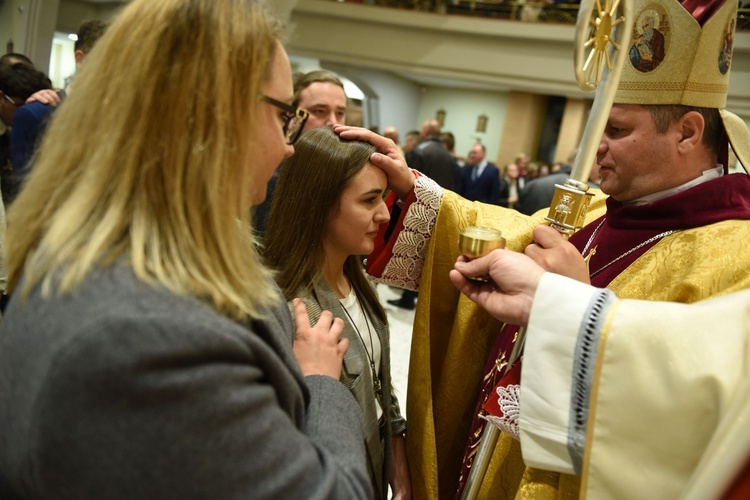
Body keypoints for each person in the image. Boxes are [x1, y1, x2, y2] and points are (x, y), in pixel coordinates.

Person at [336, 0, 750, 497]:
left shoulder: (735, 256)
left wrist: (581, 312)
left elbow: (698, 419)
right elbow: (502, 231)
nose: (594, 147)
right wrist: (414, 192)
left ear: (687, 132)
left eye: (616, 130)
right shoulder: (598, 208)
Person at [0, 1, 373, 498]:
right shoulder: (147, 343)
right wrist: (321, 383)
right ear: (213, 117)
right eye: (286, 115)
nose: (289, 145)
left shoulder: (115, 252)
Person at [448, 234, 750, 498]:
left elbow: (701, 374)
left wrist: (568, 310)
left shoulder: (737, 249)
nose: (595, 164)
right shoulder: (597, 212)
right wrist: (551, 300)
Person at [264, 127, 411, 499]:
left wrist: (396, 454)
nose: (383, 214)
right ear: (319, 205)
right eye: (369, 200)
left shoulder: (356, 277)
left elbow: (379, 383)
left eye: (385, 198)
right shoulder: (292, 311)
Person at [10, 20, 109, 192]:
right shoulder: (36, 115)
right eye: (110, 59)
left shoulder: (121, 117)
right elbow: (24, 197)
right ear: (81, 59)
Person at [253, 69, 347, 237]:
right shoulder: (264, 179)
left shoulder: (349, 179)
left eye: (340, 113)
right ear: (291, 116)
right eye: (319, 111)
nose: (333, 122)